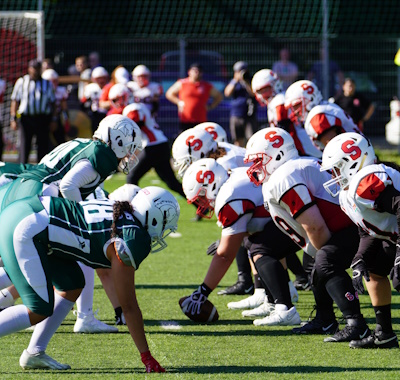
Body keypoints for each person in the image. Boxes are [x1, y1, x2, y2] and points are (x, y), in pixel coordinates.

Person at [0, 186, 179, 371]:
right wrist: (146, 356)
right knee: (38, 308)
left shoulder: (121, 211)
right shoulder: (131, 238)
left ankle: (34, 353)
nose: (164, 230)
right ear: (154, 217)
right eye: (165, 223)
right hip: (28, 227)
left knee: (72, 284)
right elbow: (129, 306)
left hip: (28, 212)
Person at [0, 114, 143, 334]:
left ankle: (82, 316)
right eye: (130, 147)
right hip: (38, 194)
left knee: (30, 259)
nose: (131, 154)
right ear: (117, 140)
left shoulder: (89, 145)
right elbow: (68, 185)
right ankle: (84, 316)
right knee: (74, 248)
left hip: (26, 191)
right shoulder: (101, 155)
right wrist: (80, 218)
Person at [245, 127, 370, 342]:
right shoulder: (293, 169)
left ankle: (356, 323)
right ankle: (325, 319)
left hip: (356, 226)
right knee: (317, 268)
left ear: (278, 155)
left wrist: (324, 257)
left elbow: (314, 226)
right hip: (352, 223)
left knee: (325, 262)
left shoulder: (284, 176)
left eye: (260, 160)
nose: (255, 167)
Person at [180, 158, 301, 326]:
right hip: (293, 210)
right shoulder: (233, 177)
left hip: (298, 213)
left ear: (211, 186)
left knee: (261, 248)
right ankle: (273, 301)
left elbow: (224, 256)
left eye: (201, 197)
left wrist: (202, 292)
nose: (201, 204)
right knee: (255, 243)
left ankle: (284, 308)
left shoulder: (229, 195)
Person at [321, 132, 399, 348]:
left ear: (353, 161)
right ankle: (385, 334)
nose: (334, 175)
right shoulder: (349, 193)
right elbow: (368, 231)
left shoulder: (366, 181)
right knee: (372, 269)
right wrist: (359, 257)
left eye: (337, 168)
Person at [122, 102, 187, 200]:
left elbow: (136, 125)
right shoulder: (140, 107)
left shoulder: (133, 109)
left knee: (132, 177)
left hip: (153, 146)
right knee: (171, 183)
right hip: (160, 144)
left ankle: (134, 207)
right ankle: (200, 204)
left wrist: (130, 148)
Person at [10, 59, 57, 163]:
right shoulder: (21, 82)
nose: (35, 71)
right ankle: (22, 170)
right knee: (24, 146)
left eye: (37, 69)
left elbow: (53, 102)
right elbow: (15, 101)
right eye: (33, 68)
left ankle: (41, 171)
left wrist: (54, 119)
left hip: (42, 118)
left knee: (43, 146)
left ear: (41, 69)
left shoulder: (47, 83)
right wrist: (13, 118)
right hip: (26, 118)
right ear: (29, 69)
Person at [165, 63, 223, 132]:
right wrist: (178, 102)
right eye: (195, 71)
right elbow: (169, 94)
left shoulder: (206, 86)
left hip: (201, 120)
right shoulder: (182, 83)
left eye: (199, 71)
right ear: (189, 72)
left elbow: (219, 96)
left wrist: (211, 106)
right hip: (185, 120)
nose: (197, 73)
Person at [224, 61, 258, 147]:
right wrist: (235, 80)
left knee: (252, 139)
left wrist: (245, 82)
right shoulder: (233, 82)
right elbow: (227, 93)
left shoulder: (250, 80)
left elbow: (253, 93)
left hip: (249, 114)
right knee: (238, 139)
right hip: (236, 114)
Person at [42, 68, 69, 147]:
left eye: (55, 81)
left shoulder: (61, 90)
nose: (53, 83)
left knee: (60, 139)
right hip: (44, 116)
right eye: (51, 81)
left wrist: (66, 118)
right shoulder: (41, 90)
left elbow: (64, 107)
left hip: (57, 117)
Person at [81, 66, 109, 133]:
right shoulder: (90, 88)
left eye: (103, 78)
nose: (101, 81)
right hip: (94, 114)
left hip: (107, 113)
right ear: (94, 79)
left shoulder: (109, 87)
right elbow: (83, 101)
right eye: (98, 78)